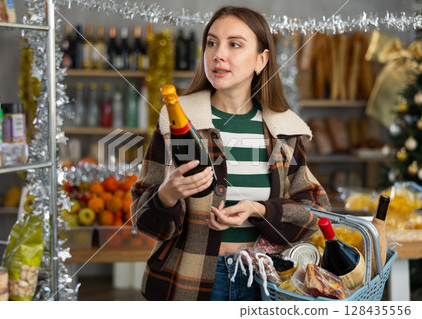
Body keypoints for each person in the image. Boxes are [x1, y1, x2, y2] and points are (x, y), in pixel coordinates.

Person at [130, 6, 330, 301]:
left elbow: (315, 212)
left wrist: (260, 210)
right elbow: (141, 218)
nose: (218, 54)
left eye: (234, 44)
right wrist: (167, 195)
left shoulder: (283, 129)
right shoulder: (177, 121)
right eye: (211, 43)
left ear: (261, 60)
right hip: (188, 285)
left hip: (266, 285)